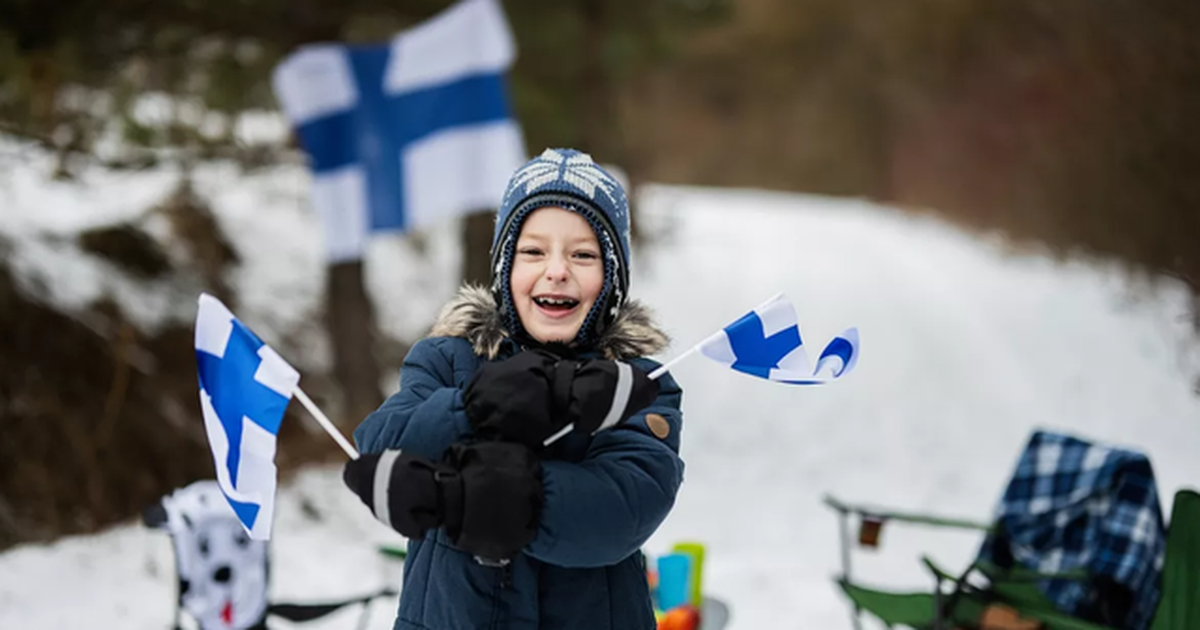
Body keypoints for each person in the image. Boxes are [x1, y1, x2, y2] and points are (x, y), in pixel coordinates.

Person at [341, 148, 685, 630]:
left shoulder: (635, 385)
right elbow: (382, 443)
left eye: (583, 254)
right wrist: (476, 408)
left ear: (612, 277)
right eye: (533, 251)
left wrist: (483, 497)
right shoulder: (447, 359)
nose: (557, 270)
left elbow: (623, 507)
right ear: (505, 268)